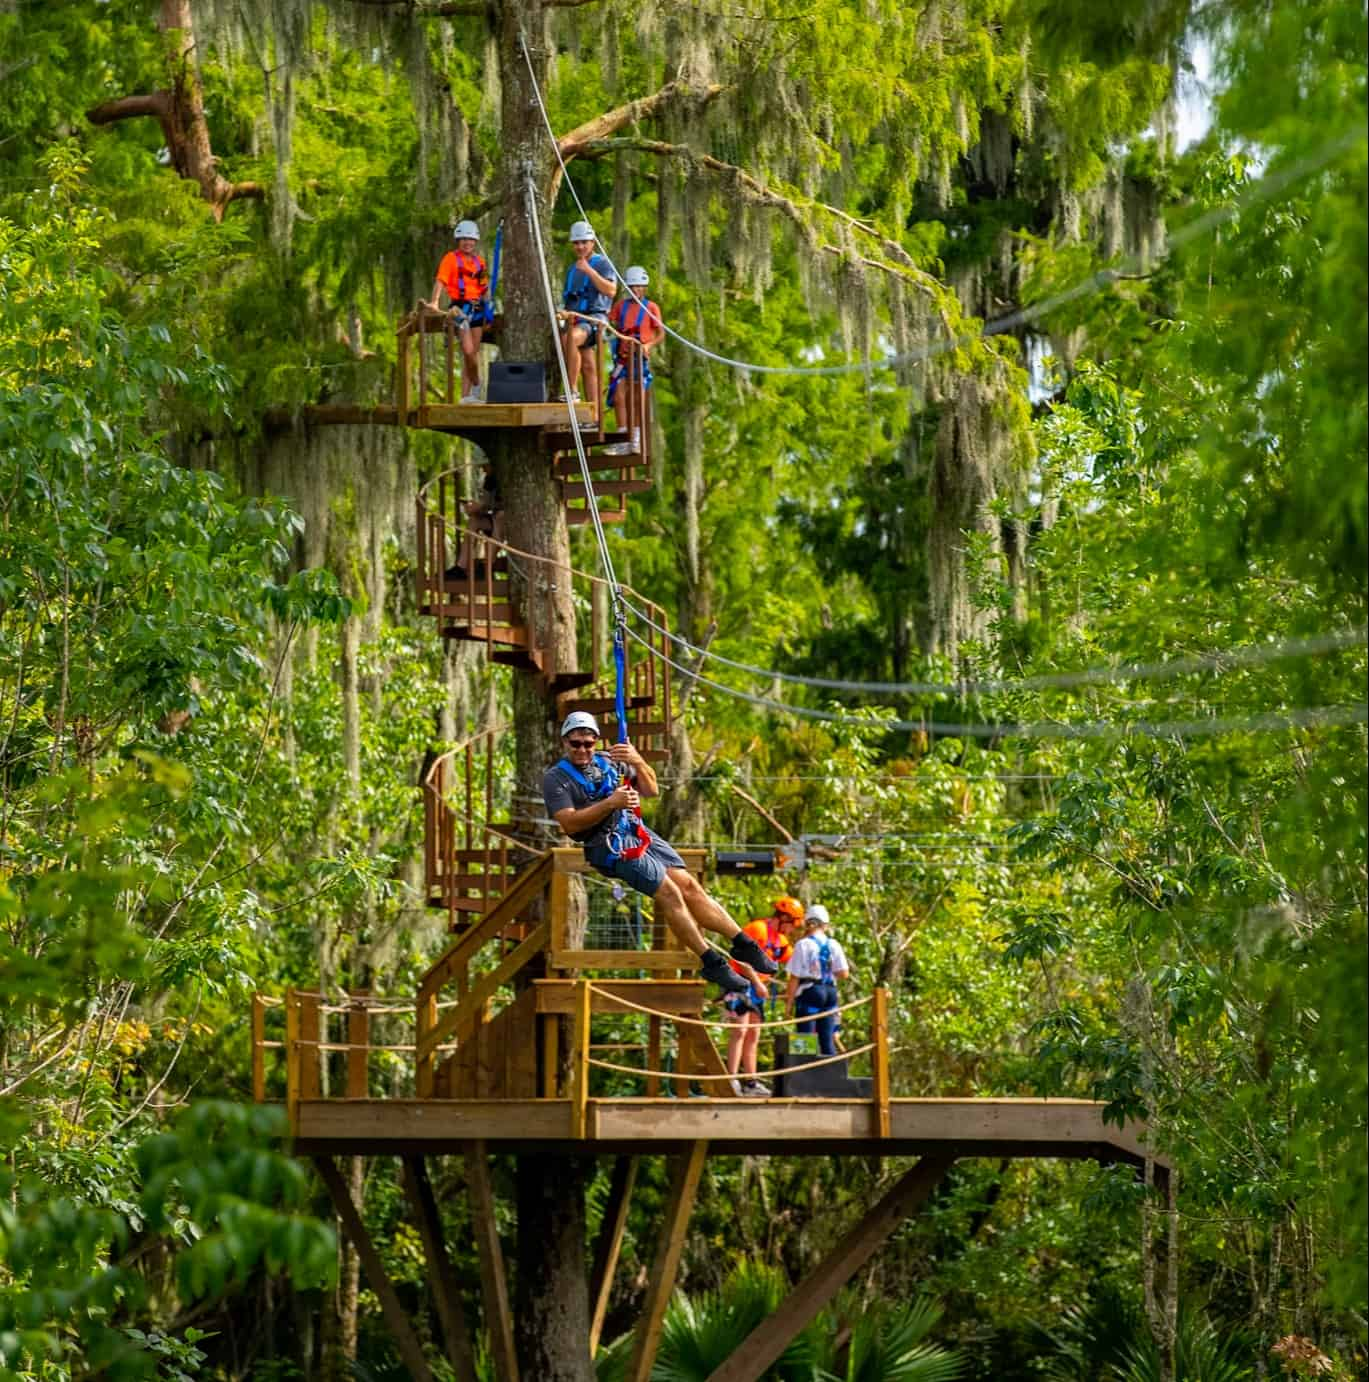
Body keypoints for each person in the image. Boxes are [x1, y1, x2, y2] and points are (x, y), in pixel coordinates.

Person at [542, 711, 777, 997]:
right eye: (575, 743)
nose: (582, 749)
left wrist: (636, 760)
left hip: (635, 829)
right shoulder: (557, 778)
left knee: (690, 887)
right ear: (565, 742)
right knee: (670, 894)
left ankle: (744, 944)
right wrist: (611, 803)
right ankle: (711, 961)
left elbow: (651, 789)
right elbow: (568, 823)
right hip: (610, 845)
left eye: (588, 743)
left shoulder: (608, 761)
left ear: (596, 742)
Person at [426, 219, 489, 404]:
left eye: (470, 239)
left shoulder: (481, 263)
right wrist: (434, 302)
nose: (467, 242)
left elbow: (484, 288)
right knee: (468, 351)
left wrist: (489, 309)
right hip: (459, 308)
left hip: (478, 307)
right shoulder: (450, 259)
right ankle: (477, 383)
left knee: (474, 353)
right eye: (463, 239)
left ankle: (467, 396)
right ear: (458, 240)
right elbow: (440, 281)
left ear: (475, 241)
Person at [603, 266, 663, 455]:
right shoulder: (621, 306)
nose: (635, 290)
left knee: (637, 397)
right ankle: (622, 437)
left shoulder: (651, 307)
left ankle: (635, 439)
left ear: (644, 287)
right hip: (623, 358)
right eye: (631, 287)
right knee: (619, 395)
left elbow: (661, 334)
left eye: (638, 287)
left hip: (640, 359)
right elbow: (609, 321)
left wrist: (648, 345)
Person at [559, 221, 615, 410]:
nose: (580, 246)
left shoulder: (602, 263)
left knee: (569, 339)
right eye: (576, 243)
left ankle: (572, 391)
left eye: (584, 242)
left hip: (595, 319)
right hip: (575, 318)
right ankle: (594, 414)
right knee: (588, 367)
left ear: (592, 242)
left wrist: (589, 271)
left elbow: (611, 290)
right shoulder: (572, 269)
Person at [784, 904, 851, 1057]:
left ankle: (803, 1075)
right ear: (825, 924)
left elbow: (794, 977)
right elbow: (844, 973)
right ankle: (833, 1076)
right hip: (830, 991)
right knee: (826, 1039)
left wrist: (789, 1005)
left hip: (811, 991)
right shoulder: (834, 944)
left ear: (808, 924)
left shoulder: (803, 945)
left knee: (804, 1039)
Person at [723, 931, 771, 1097]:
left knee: (753, 1034)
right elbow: (742, 958)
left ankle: (751, 1082)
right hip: (740, 984)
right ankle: (732, 1079)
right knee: (739, 1032)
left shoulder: (781, 940)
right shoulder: (759, 929)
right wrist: (757, 982)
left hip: (758, 989)